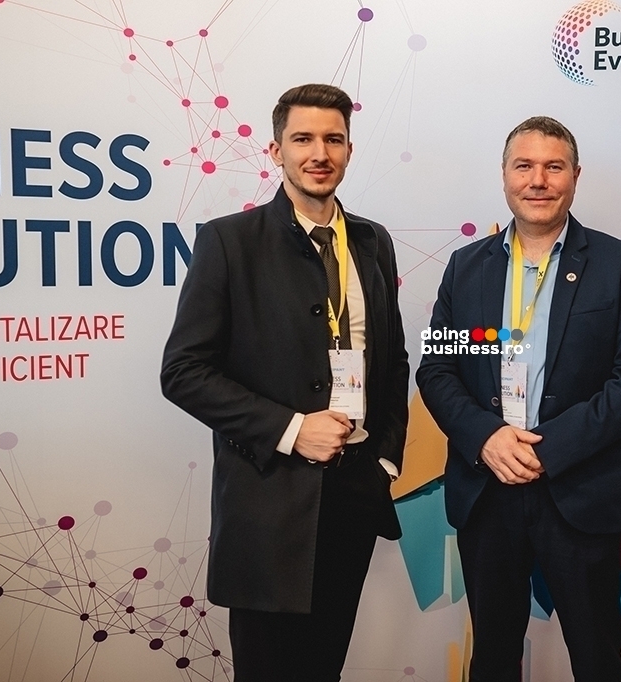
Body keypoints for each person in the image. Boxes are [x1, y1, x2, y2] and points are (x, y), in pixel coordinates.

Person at [160, 84, 408, 682]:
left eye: (333, 139)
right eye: (303, 139)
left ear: (349, 149)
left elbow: (393, 360)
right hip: (269, 502)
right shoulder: (229, 241)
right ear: (276, 150)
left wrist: (384, 461)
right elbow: (183, 371)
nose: (319, 153)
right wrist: (293, 430)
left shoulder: (373, 241)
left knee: (324, 668)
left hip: (353, 495)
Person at [416, 116, 621, 681]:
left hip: (581, 489)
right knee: (493, 658)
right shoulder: (466, 266)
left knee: (597, 658)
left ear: (575, 176)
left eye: (554, 167)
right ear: (504, 175)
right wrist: (486, 438)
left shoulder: (620, 264)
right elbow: (438, 368)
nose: (538, 180)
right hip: (488, 488)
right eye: (524, 166)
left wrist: (546, 449)